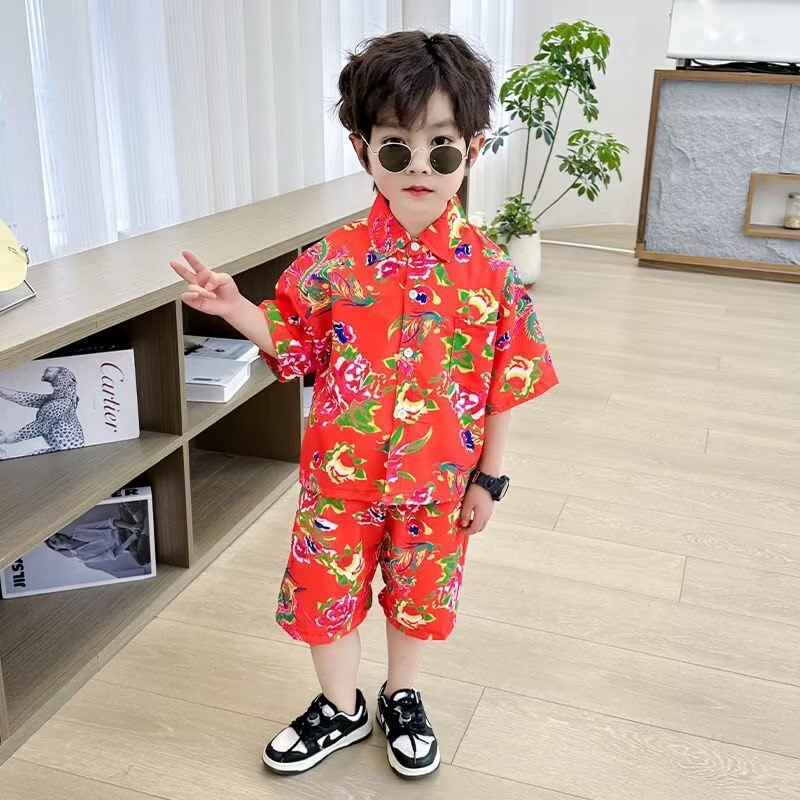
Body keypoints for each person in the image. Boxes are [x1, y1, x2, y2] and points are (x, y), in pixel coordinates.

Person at [170, 29, 558, 780]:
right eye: (398, 146)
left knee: (419, 600)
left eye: (441, 148)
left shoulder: (492, 273)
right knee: (325, 596)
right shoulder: (332, 260)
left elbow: (505, 383)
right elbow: (295, 342)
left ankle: (401, 694)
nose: (419, 167)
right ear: (363, 149)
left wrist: (489, 479)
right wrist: (234, 307)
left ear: (472, 151)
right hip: (338, 483)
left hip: (439, 485)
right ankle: (340, 708)